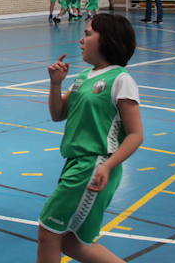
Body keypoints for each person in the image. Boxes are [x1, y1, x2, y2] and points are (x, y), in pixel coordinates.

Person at [37, 14, 143, 263]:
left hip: (93, 165)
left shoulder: (120, 79)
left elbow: (136, 135)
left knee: (48, 232)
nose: (81, 40)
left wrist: (108, 165)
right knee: (72, 243)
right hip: (76, 163)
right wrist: (55, 85)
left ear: (108, 40)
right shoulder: (84, 77)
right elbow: (58, 114)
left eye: (87, 34)